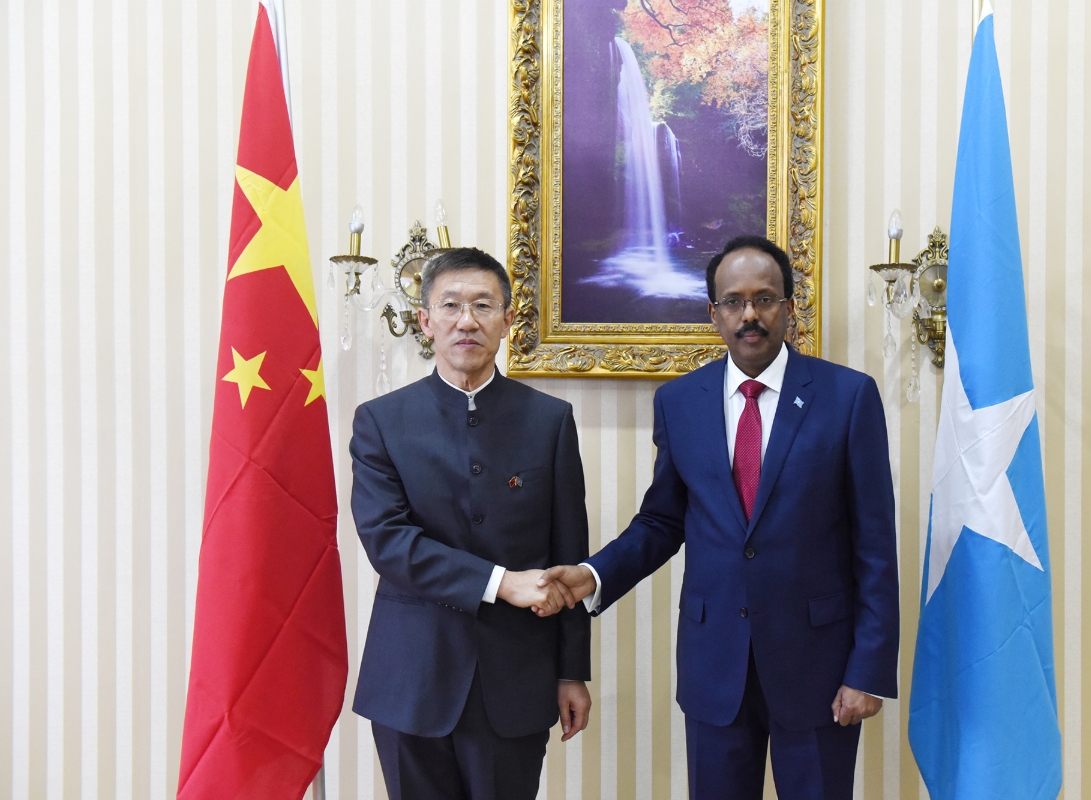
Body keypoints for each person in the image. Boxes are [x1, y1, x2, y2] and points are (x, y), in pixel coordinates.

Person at [540, 236, 899, 800]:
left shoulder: (848, 396)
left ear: (789, 306)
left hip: (819, 667)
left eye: (765, 299)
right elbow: (662, 521)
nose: (749, 314)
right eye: (733, 301)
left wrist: (868, 670)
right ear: (713, 313)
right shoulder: (679, 401)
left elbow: (874, 544)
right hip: (715, 666)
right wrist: (593, 574)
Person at [350, 247, 592, 800]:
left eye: (483, 305)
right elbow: (389, 542)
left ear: (507, 321)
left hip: (516, 677)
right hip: (411, 678)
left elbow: (569, 555)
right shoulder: (381, 422)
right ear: (425, 320)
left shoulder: (550, 420)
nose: (467, 320)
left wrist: (571, 671)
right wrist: (501, 582)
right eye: (451, 305)